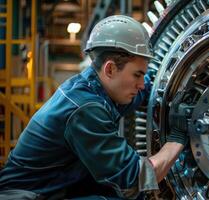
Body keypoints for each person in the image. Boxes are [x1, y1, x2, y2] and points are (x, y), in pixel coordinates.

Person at [0, 15, 187, 199]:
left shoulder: (100, 89)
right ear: (110, 69)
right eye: (137, 75)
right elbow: (137, 179)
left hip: (55, 188)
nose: (141, 85)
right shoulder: (85, 108)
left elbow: (144, 89)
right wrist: (177, 138)